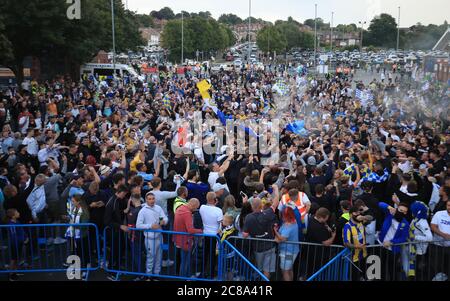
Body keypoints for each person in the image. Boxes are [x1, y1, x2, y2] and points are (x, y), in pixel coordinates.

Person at [243, 184, 280, 279]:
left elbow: (245, 235)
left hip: (258, 247)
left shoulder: (248, 217)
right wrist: (276, 189)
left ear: (252, 207)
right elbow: (275, 203)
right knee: (267, 269)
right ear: (261, 206)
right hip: (269, 246)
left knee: (260, 268)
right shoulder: (267, 213)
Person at [136, 192, 168, 281]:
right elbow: (138, 225)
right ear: (146, 200)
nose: (151, 200)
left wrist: (164, 221)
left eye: (153, 199)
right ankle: (148, 275)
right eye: (149, 199)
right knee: (150, 257)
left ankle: (156, 275)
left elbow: (165, 218)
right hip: (149, 238)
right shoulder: (142, 211)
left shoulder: (158, 208)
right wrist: (150, 226)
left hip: (159, 237)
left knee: (159, 257)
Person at [377, 202, 410, 281]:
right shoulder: (390, 214)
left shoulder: (405, 224)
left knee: (392, 271)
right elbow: (380, 204)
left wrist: (391, 242)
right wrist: (389, 207)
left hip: (393, 250)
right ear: (397, 208)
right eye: (400, 210)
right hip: (380, 246)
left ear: (406, 213)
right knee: (380, 268)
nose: (401, 212)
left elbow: (403, 238)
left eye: (404, 211)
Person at [103, 185, 129, 281]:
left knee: (120, 250)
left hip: (118, 231)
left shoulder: (116, 200)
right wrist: (120, 226)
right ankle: (111, 272)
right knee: (114, 252)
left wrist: (123, 212)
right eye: (124, 194)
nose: (124, 196)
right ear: (120, 192)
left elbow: (116, 214)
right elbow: (107, 221)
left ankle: (117, 268)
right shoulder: (111, 203)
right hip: (113, 232)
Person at [303, 207, 336, 279]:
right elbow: (326, 243)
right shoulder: (317, 227)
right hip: (317, 255)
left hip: (314, 253)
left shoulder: (313, 218)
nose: (327, 219)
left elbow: (324, 222)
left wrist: (327, 227)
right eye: (326, 218)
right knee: (315, 273)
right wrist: (333, 236)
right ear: (322, 217)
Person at [173, 198, 203, 277]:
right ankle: (185, 277)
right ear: (193, 205)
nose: (195, 210)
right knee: (186, 260)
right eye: (196, 208)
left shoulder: (180, 208)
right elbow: (190, 230)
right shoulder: (187, 213)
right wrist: (200, 231)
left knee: (183, 260)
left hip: (178, 239)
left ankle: (184, 275)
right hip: (185, 240)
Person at [64, 194, 91, 280]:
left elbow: (84, 225)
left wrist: (74, 225)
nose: (72, 203)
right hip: (74, 235)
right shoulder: (74, 209)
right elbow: (72, 218)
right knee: (76, 252)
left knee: (83, 253)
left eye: (73, 201)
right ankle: (77, 267)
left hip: (82, 236)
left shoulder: (84, 211)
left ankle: (85, 269)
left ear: (78, 202)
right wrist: (68, 218)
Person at [199, 192, 223, 279]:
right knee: (213, 256)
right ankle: (212, 274)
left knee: (205, 254)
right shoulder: (218, 210)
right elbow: (221, 223)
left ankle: (202, 272)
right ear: (215, 200)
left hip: (206, 234)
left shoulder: (202, 207)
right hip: (214, 236)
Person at [407, 201, 433, 281]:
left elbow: (430, 238)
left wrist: (416, 237)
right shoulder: (416, 219)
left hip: (420, 252)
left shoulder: (423, 222)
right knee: (412, 271)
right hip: (413, 250)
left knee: (418, 272)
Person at [343, 205, 368, 281]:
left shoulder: (361, 222)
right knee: (354, 277)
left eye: (359, 213)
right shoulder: (347, 226)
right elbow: (347, 243)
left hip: (363, 255)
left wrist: (364, 217)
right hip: (354, 258)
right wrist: (356, 246)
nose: (358, 214)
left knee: (363, 276)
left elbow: (371, 217)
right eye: (355, 213)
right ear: (351, 215)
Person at [274, 207, 299, 281]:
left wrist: (275, 231)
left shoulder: (288, 226)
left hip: (287, 252)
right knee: (290, 269)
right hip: (292, 251)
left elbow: (282, 238)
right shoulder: (294, 222)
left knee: (285, 271)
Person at [5, 208, 28, 281]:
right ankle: (11, 275)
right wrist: (22, 240)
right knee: (13, 259)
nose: (18, 213)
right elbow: (13, 236)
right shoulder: (11, 225)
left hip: (19, 243)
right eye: (17, 212)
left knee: (16, 259)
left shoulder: (17, 221)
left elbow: (22, 231)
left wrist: (25, 237)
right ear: (13, 216)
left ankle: (14, 272)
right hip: (15, 244)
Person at [430, 200, 450, 281]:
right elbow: (433, 226)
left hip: (449, 247)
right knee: (436, 266)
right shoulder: (439, 214)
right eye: (448, 205)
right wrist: (443, 235)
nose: (449, 207)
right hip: (437, 246)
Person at [217, 214, 239, 280]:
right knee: (226, 267)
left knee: (229, 267)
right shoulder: (227, 228)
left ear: (227, 221)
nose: (222, 221)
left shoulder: (230, 231)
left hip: (228, 252)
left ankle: (228, 279)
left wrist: (219, 234)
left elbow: (222, 239)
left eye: (223, 220)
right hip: (226, 251)